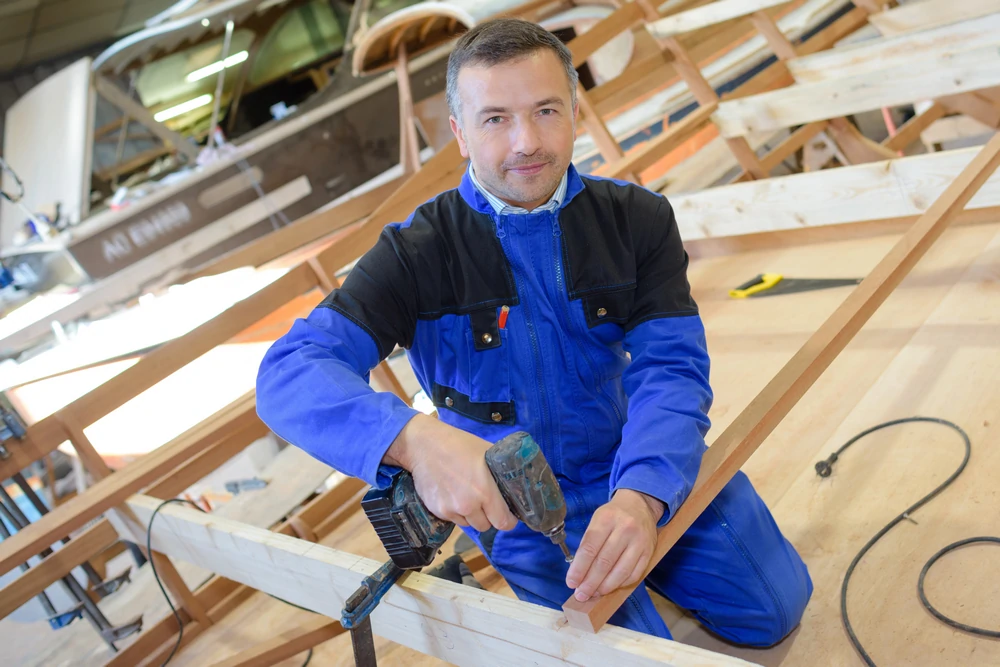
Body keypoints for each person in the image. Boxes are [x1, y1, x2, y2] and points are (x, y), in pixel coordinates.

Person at [256, 18, 812, 645]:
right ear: (460, 134)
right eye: (495, 119)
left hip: (633, 454)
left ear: (574, 112)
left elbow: (673, 369)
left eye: (546, 110)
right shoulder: (415, 255)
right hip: (517, 508)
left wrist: (644, 495)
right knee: (633, 655)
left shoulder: (637, 220)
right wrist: (412, 441)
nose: (526, 142)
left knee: (774, 610)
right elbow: (289, 373)